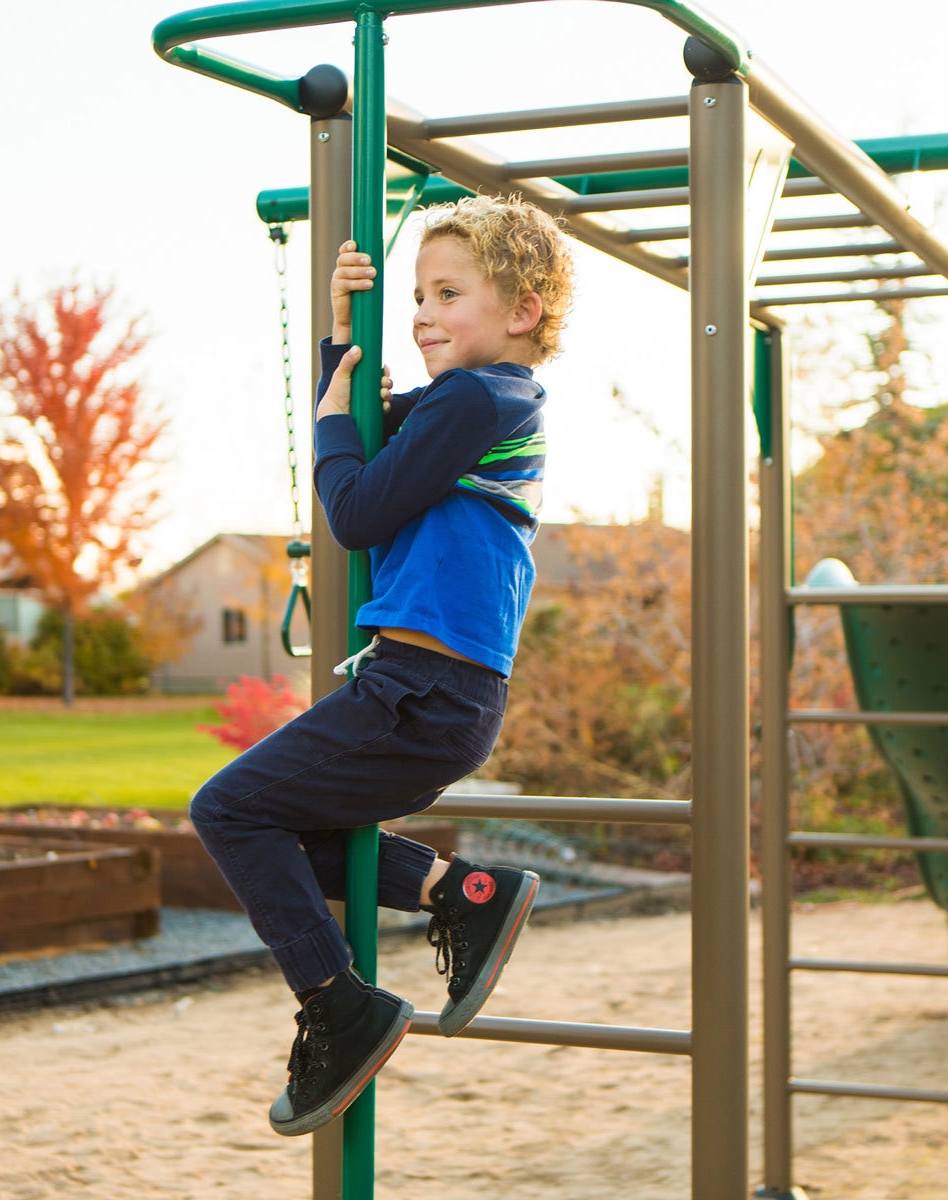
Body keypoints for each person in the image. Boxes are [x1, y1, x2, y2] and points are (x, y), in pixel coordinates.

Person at [189, 193, 574, 1138]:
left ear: (522, 308)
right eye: (417, 295)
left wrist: (329, 418)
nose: (424, 313)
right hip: (430, 691)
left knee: (229, 809)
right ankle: (467, 893)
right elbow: (372, 411)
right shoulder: (482, 403)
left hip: (421, 690)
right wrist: (339, 335)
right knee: (281, 830)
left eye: (449, 293)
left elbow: (357, 505)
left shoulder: (480, 398)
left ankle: (340, 1008)